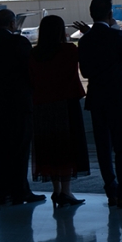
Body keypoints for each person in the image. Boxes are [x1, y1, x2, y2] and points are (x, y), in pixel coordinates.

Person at [75, 0, 122, 208]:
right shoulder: (115, 36)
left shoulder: (85, 40)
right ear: (110, 15)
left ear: (91, 15)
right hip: (118, 98)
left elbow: (85, 71)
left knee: (103, 148)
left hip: (96, 99)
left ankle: (111, 191)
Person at [0, 8, 44, 206]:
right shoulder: (19, 43)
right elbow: (31, 72)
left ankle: (3, 194)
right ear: (12, 23)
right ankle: (21, 190)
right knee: (20, 149)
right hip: (19, 103)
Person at [28, 15, 91, 206]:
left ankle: (56, 191)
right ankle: (66, 192)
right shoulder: (68, 50)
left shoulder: (33, 54)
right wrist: (88, 35)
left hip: (42, 106)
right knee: (68, 148)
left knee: (49, 149)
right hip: (66, 104)